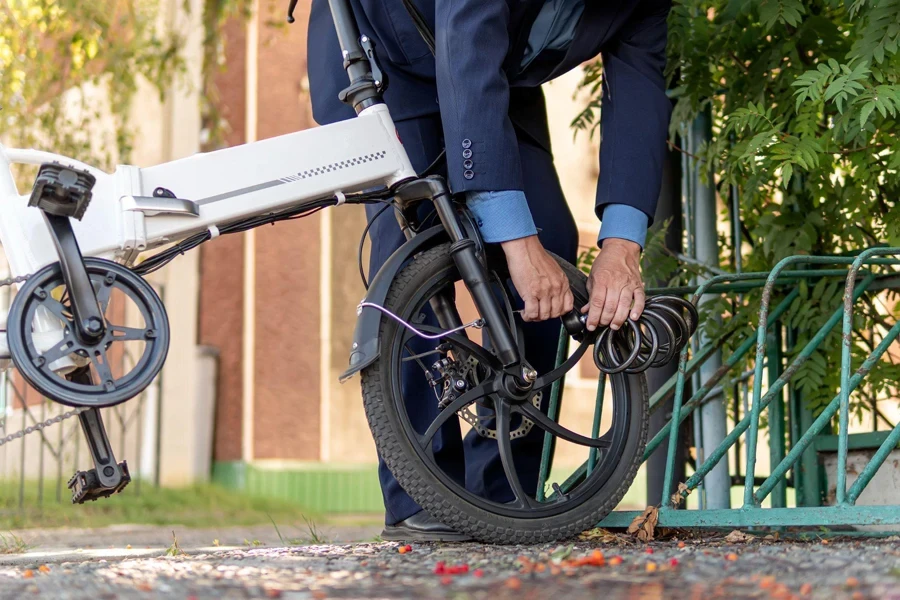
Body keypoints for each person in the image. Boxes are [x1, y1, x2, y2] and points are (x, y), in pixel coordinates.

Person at [307, 0, 672, 541]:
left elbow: (640, 90)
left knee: (549, 238)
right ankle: (420, 494)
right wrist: (518, 250)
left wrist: (622, 245)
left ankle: (502, 489)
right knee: (412, 254)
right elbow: (466, 41)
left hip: (497, 76)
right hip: (389, 58)